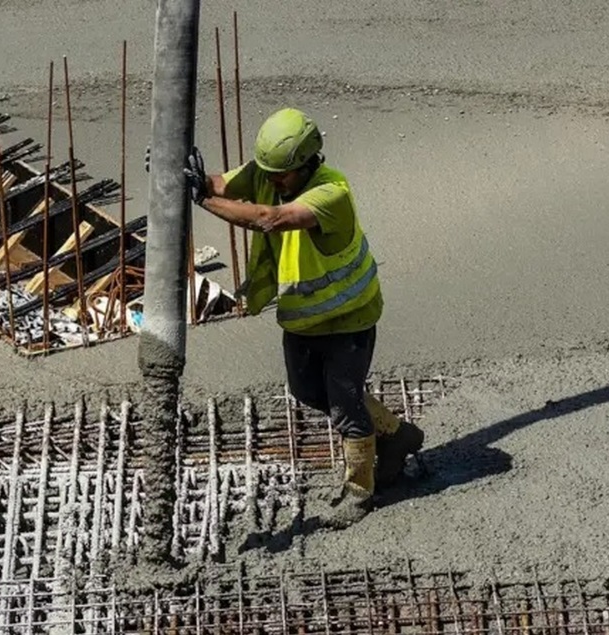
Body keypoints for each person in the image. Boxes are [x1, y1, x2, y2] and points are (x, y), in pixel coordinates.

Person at [179, 107, 426, 528]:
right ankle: (397, 434)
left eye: (281, 176)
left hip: (349, 319)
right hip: (303, 320)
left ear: (308, 163)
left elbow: (269, 219)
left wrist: (202, 200)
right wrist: (193, 180)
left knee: (345, 404)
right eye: (270, 173)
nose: (273, 182)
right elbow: (223, 184)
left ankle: (359, 491)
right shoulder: (270, 171)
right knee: (308, 391)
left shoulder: (332, 195)